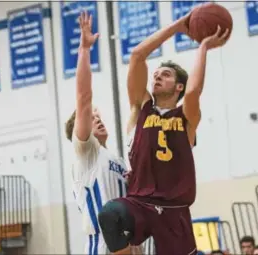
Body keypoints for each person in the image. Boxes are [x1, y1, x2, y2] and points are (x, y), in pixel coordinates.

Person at [98, 10, 230, 255]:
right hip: (139, 202)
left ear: (178, 86)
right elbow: (138, 55)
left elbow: (193, 93)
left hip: (174, 210)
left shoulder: (187, 118)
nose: (157, 76)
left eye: (165, 75)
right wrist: (178, 26)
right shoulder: (140, 109)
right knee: (109, 215)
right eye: (156, 74)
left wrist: (203, 47)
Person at [65, 11, 142, 255]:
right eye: (91, 117)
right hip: (101, 246)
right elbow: (84, 98)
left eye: (99, 116)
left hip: (129, 245)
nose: (96, 119)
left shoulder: (115, 160)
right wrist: (85, 50)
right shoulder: (86, 152)